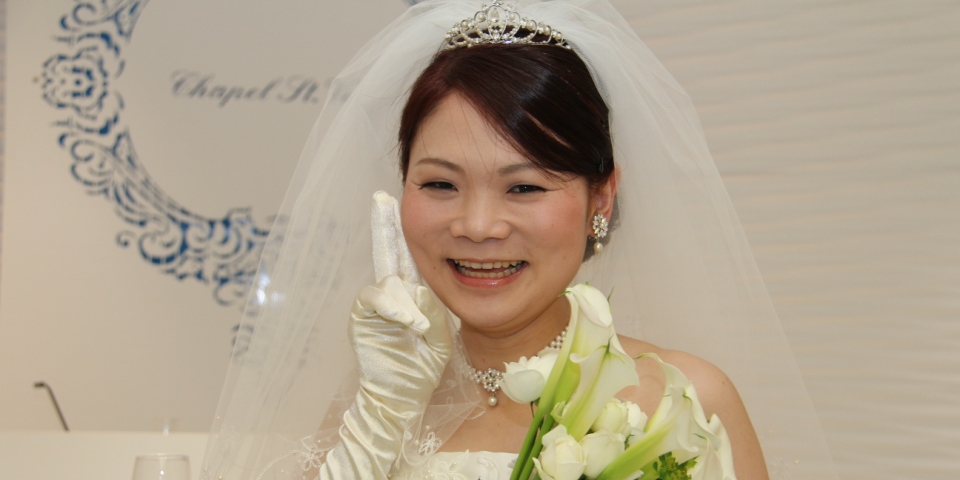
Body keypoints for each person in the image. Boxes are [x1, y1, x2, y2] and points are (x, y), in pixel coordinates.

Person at [200, 1, 836, 479]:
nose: (478, 226)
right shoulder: (373, 408)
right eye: (441, 184)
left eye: (524, 187)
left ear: (601, 198)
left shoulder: (682, 401)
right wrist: (380, 416)